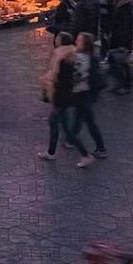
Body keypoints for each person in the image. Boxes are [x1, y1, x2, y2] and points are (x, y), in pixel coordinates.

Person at [38, 32, 94, 168]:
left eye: (57, 38)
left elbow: (56, 78)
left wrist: (49, 89)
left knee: (66, 130)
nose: (55, 40)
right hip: (67, 95)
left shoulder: (60, 57)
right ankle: (51, 152)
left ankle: (85, 155)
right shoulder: (73, 55)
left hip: (60, 96)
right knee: (54, 122)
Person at [71, 32, 107, 159]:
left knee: (89, 122)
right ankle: (71, 137)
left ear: (85, 44)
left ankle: (101, 148)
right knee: (80, 117)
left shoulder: (87, 59)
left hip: (84, 95)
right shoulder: (83, 56)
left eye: (79, 40)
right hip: (82, 95)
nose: (76, 41)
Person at [107, 0, 133, 94]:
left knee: (122, 63)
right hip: (116, 38)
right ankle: (119, 84)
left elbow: (125, 27)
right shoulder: (118, 5)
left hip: (121, 41)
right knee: (114, 62)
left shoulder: (125, 9)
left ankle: (126, 86)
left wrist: (123, 43)